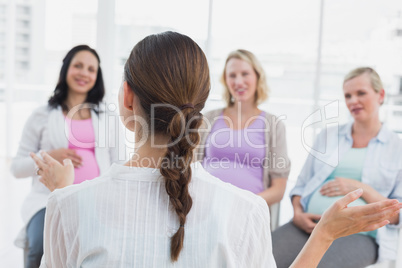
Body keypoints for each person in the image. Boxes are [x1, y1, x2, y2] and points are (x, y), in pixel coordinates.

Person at [31, 33, 401, 267]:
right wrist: (322, 236)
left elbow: (280, 180)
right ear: (201, 106)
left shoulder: (66, 206)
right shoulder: (245, 212)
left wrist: (64, 193)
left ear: (126, 98)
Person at [272, 67, 402, 268]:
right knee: (261, 257)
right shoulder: (327, 136)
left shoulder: (397, 148)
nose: (352, 101)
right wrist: (298, 214)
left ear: (381, 95)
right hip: (309, 226)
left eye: (361, 93)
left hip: (360, 234)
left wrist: (361, 188)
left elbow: (397, 215)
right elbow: (302, 184)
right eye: (348, 95)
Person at [10, 45, 125, 268]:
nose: (84, 73)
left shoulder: (108, 116)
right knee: (41, 246)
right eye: (78, 66)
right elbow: (16, 168)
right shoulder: (41, 115)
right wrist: (47, 155)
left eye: (91, 69)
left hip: (96, 201)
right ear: (65, 70)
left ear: (97, 76)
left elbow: (118, 163)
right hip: (47, 200)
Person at [196, 49, 290, 208]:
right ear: (226, 81)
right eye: (232, 75)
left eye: (245, 74)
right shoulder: (207, 119)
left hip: (248, 212)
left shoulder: (274, 125)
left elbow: (279, 189)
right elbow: (190, 169)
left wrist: (244, 205)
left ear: (257, 77)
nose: (238, 82)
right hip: (205, 206)